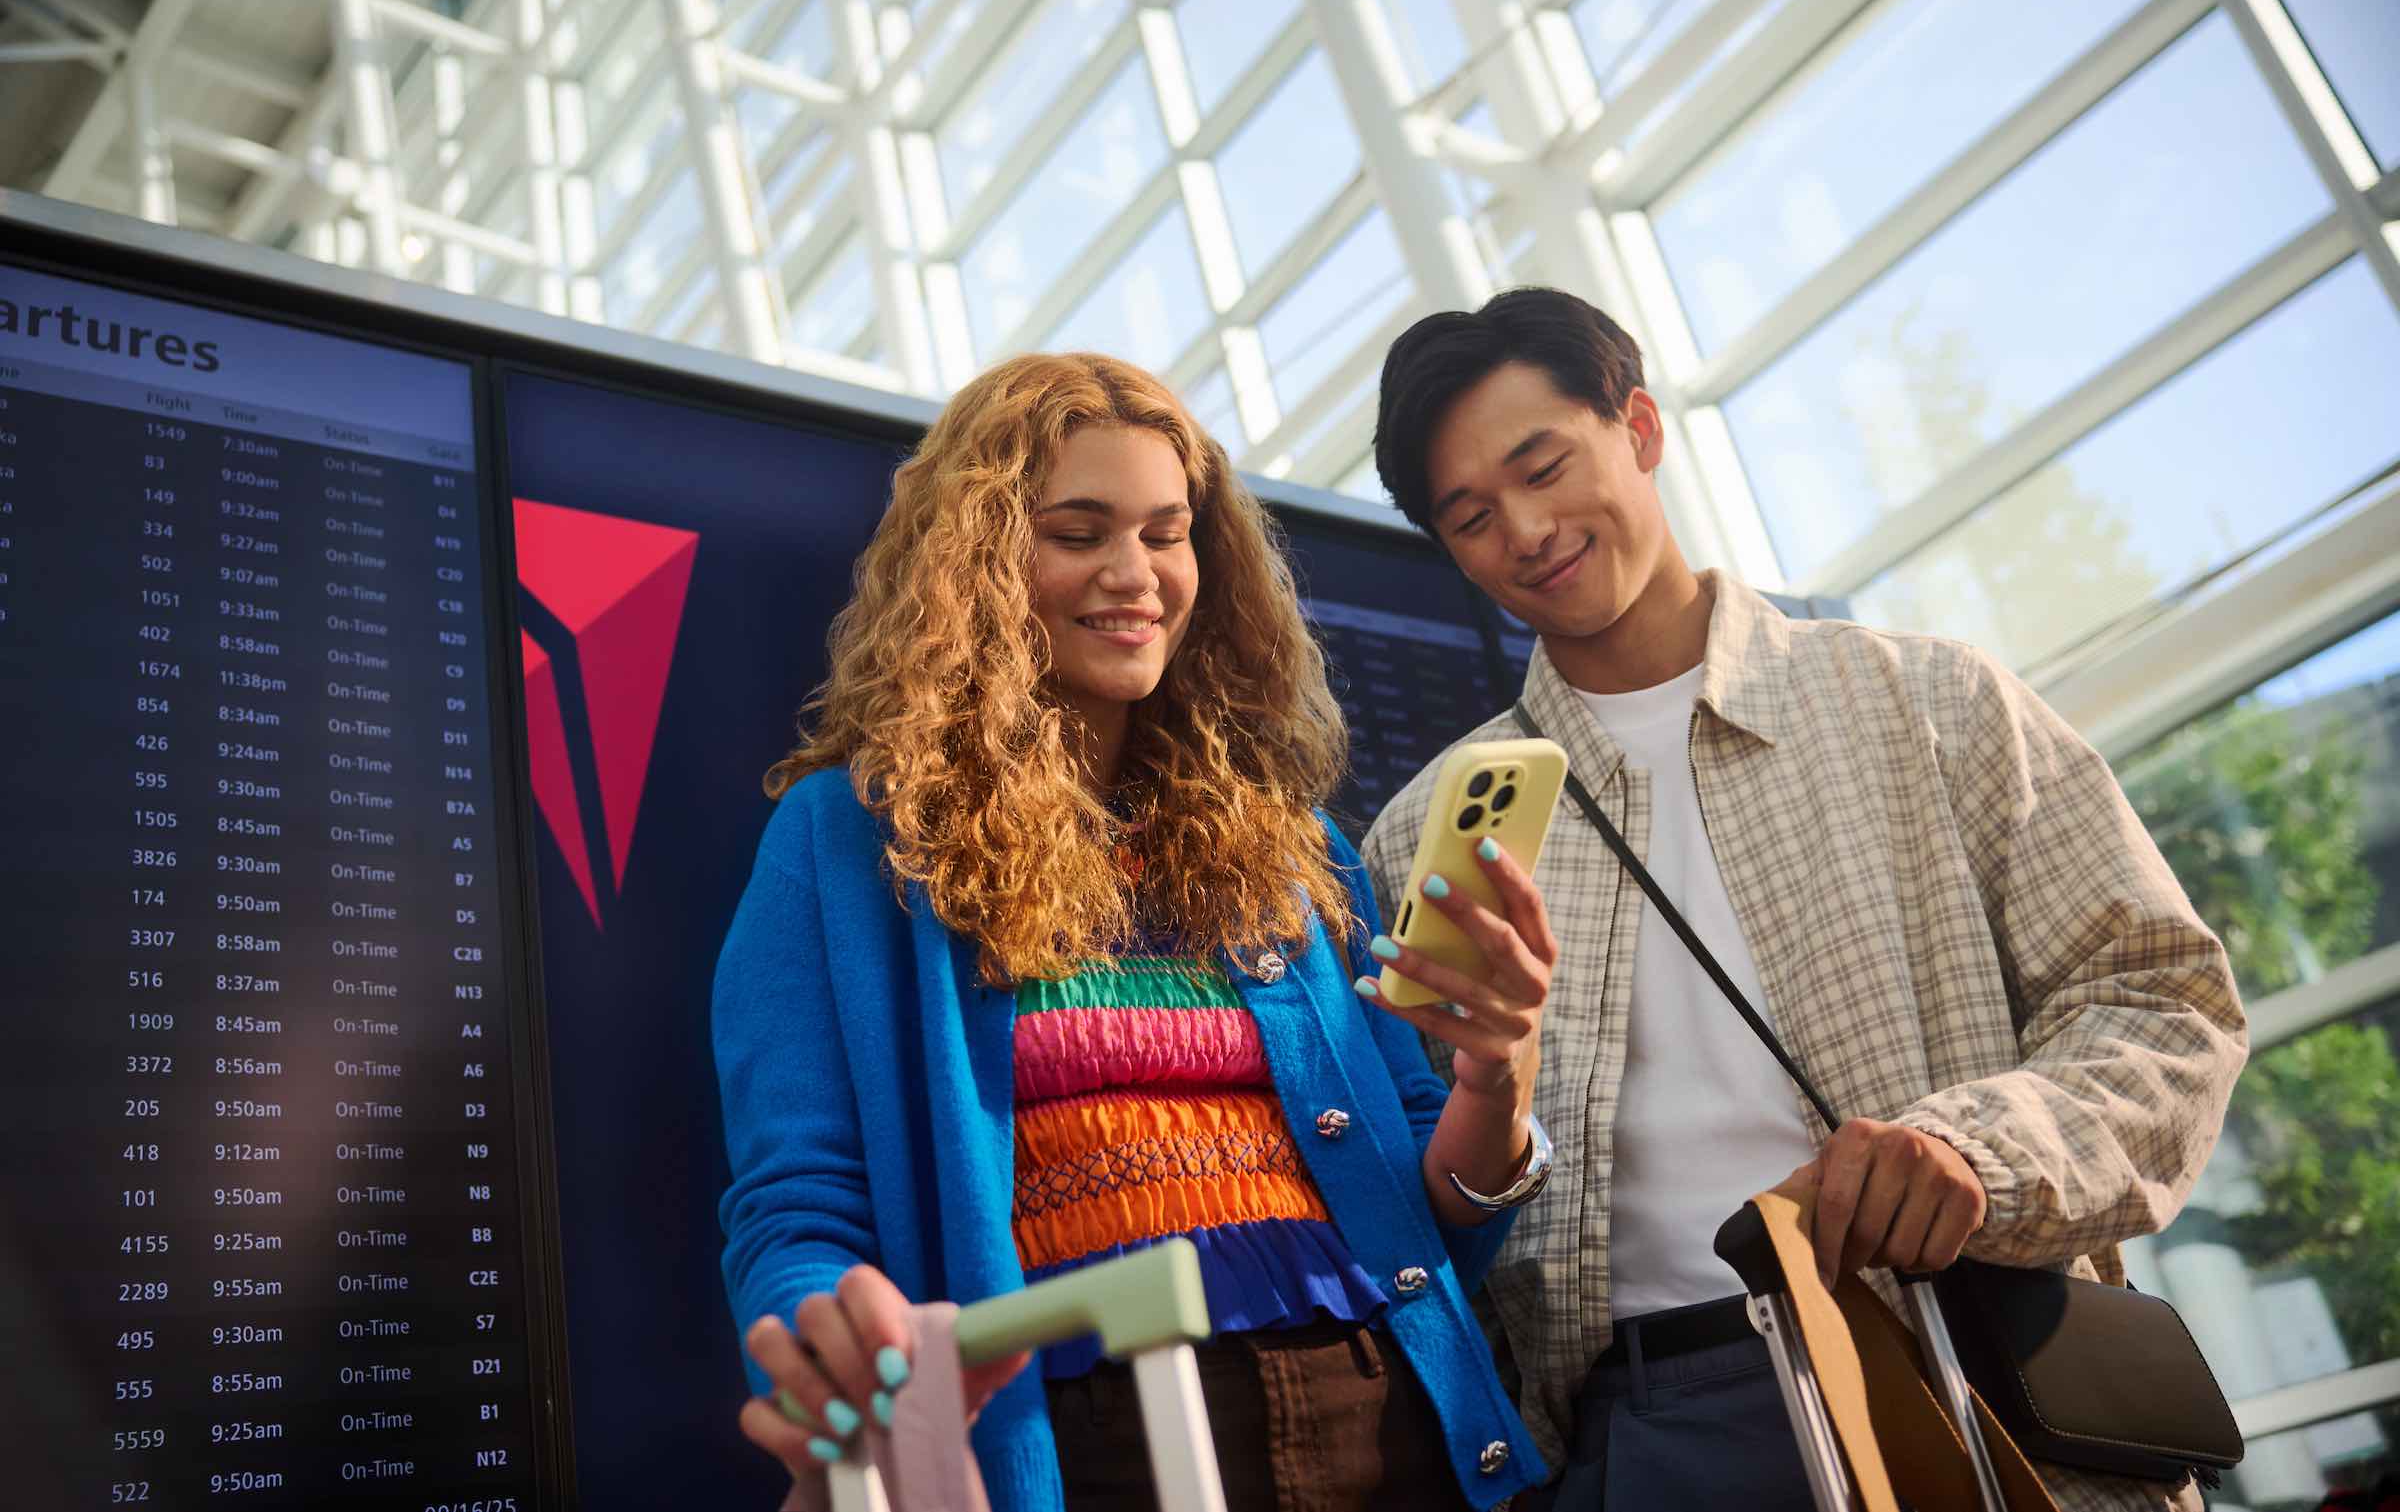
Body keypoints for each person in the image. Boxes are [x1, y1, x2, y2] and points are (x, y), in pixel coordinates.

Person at [1361, 288, 2248, 1512]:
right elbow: (1421, 1201)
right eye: (1470, 516)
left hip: (1958, 1353)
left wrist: (1974, 1148)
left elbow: (2164, 1001)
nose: (1524, 528)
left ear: (1640, 426)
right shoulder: (1421, 833)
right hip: (1649, 1427)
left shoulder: (1928, 701)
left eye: (1543, 464)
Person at [712, 351, 1561, 1511]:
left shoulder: (1292, 840)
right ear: (977, 561)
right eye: (1078, 530)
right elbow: (798, 1208)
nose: (1136, 573)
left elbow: (1438, 1208)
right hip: (1088, 1438)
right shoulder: (849, 841)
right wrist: (833, 1347)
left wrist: (1493, 1071)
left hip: (1386, 1406)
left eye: (1167, 533)